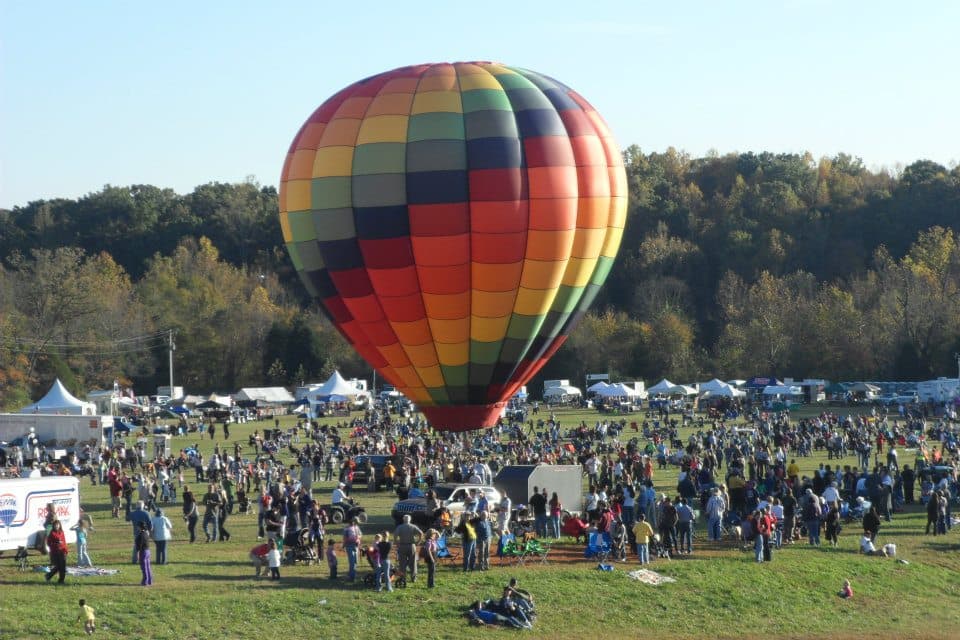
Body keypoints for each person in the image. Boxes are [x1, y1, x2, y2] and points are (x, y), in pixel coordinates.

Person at [393, 514, 423, 582]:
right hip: (411, 546)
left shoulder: (400, 527)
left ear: (403, 519)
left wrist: (397, 543)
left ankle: (403, 578)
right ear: (410, 519)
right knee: (413, 563)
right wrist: (418, 541)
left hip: (402, 546)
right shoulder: (413, 526)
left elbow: (395, 535)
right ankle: (414, 578)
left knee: (402, 563)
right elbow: (421, 533)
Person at [45, 520, 68, 584]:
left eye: (58, 525)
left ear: (60, 525)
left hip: (62, 551)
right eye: (55, 525)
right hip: (55, 552)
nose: (57, 526)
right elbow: (49, 543)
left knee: (63, 566)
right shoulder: (52, 533)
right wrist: (56, 543)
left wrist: (66, 550)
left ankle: (61, 580)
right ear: (53, 526)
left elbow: (64, 541)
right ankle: (49, 575)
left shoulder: (62, 532)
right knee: (58, 566)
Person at [343, 517, 362, 581]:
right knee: (352, 562)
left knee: (355, 561)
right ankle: (352, 577)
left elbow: (360, 535)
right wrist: (344, 545)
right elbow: (345, 537)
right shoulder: (347, 529)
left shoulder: (357, 528)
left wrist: (358, 537)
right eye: (353, 522)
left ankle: (352, 574)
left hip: (356, 545)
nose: (354, 523)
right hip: (349, 546)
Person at [135, 521, 153, 586]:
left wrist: (137, 554)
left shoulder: (140, 535)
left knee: (144, 567)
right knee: (148, 567)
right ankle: (150, 580)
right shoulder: (146, 533)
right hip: (148, 551)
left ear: (140, 527)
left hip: (143, 552)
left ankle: (145, 582)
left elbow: (139, 545)